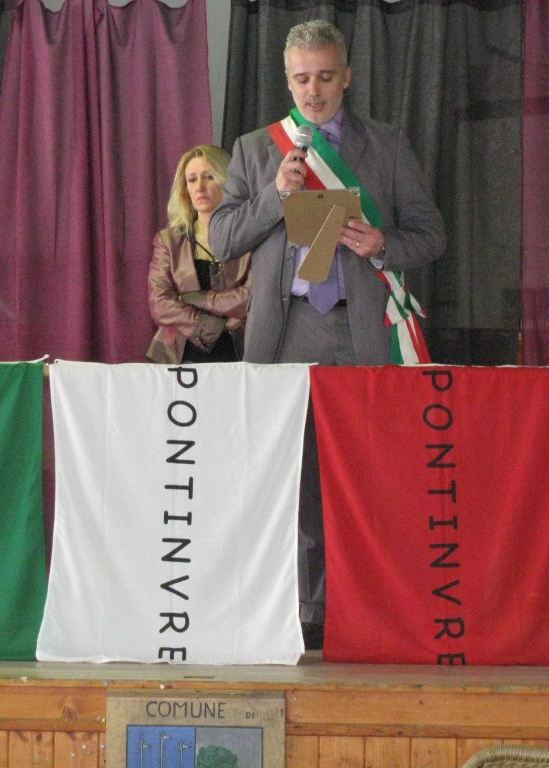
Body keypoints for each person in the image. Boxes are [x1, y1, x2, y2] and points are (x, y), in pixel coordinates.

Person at [209, 20, 446, 646]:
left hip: (362, 327)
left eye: (324, 77)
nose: (313, 91)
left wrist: (382, 243)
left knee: (369, 474)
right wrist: (273, 196)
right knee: (296, 477)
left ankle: (374, 607)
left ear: (346, 77)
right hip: (285, 333)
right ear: (287, 82)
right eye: (302, 79)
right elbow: (221, 239)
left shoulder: (386, 145)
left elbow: (431, 235)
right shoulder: (257, 149)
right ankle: (307, 611)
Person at [146, 145, 250, 364]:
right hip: (179, 357)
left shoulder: (250, 237)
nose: (199, 187)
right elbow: (160, 304)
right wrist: (218, 325)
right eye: (192, 180)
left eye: (209, 177)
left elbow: (251, 297)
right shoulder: (169, 240)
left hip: (240, 354)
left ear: (228, 182)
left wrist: (195, 299)